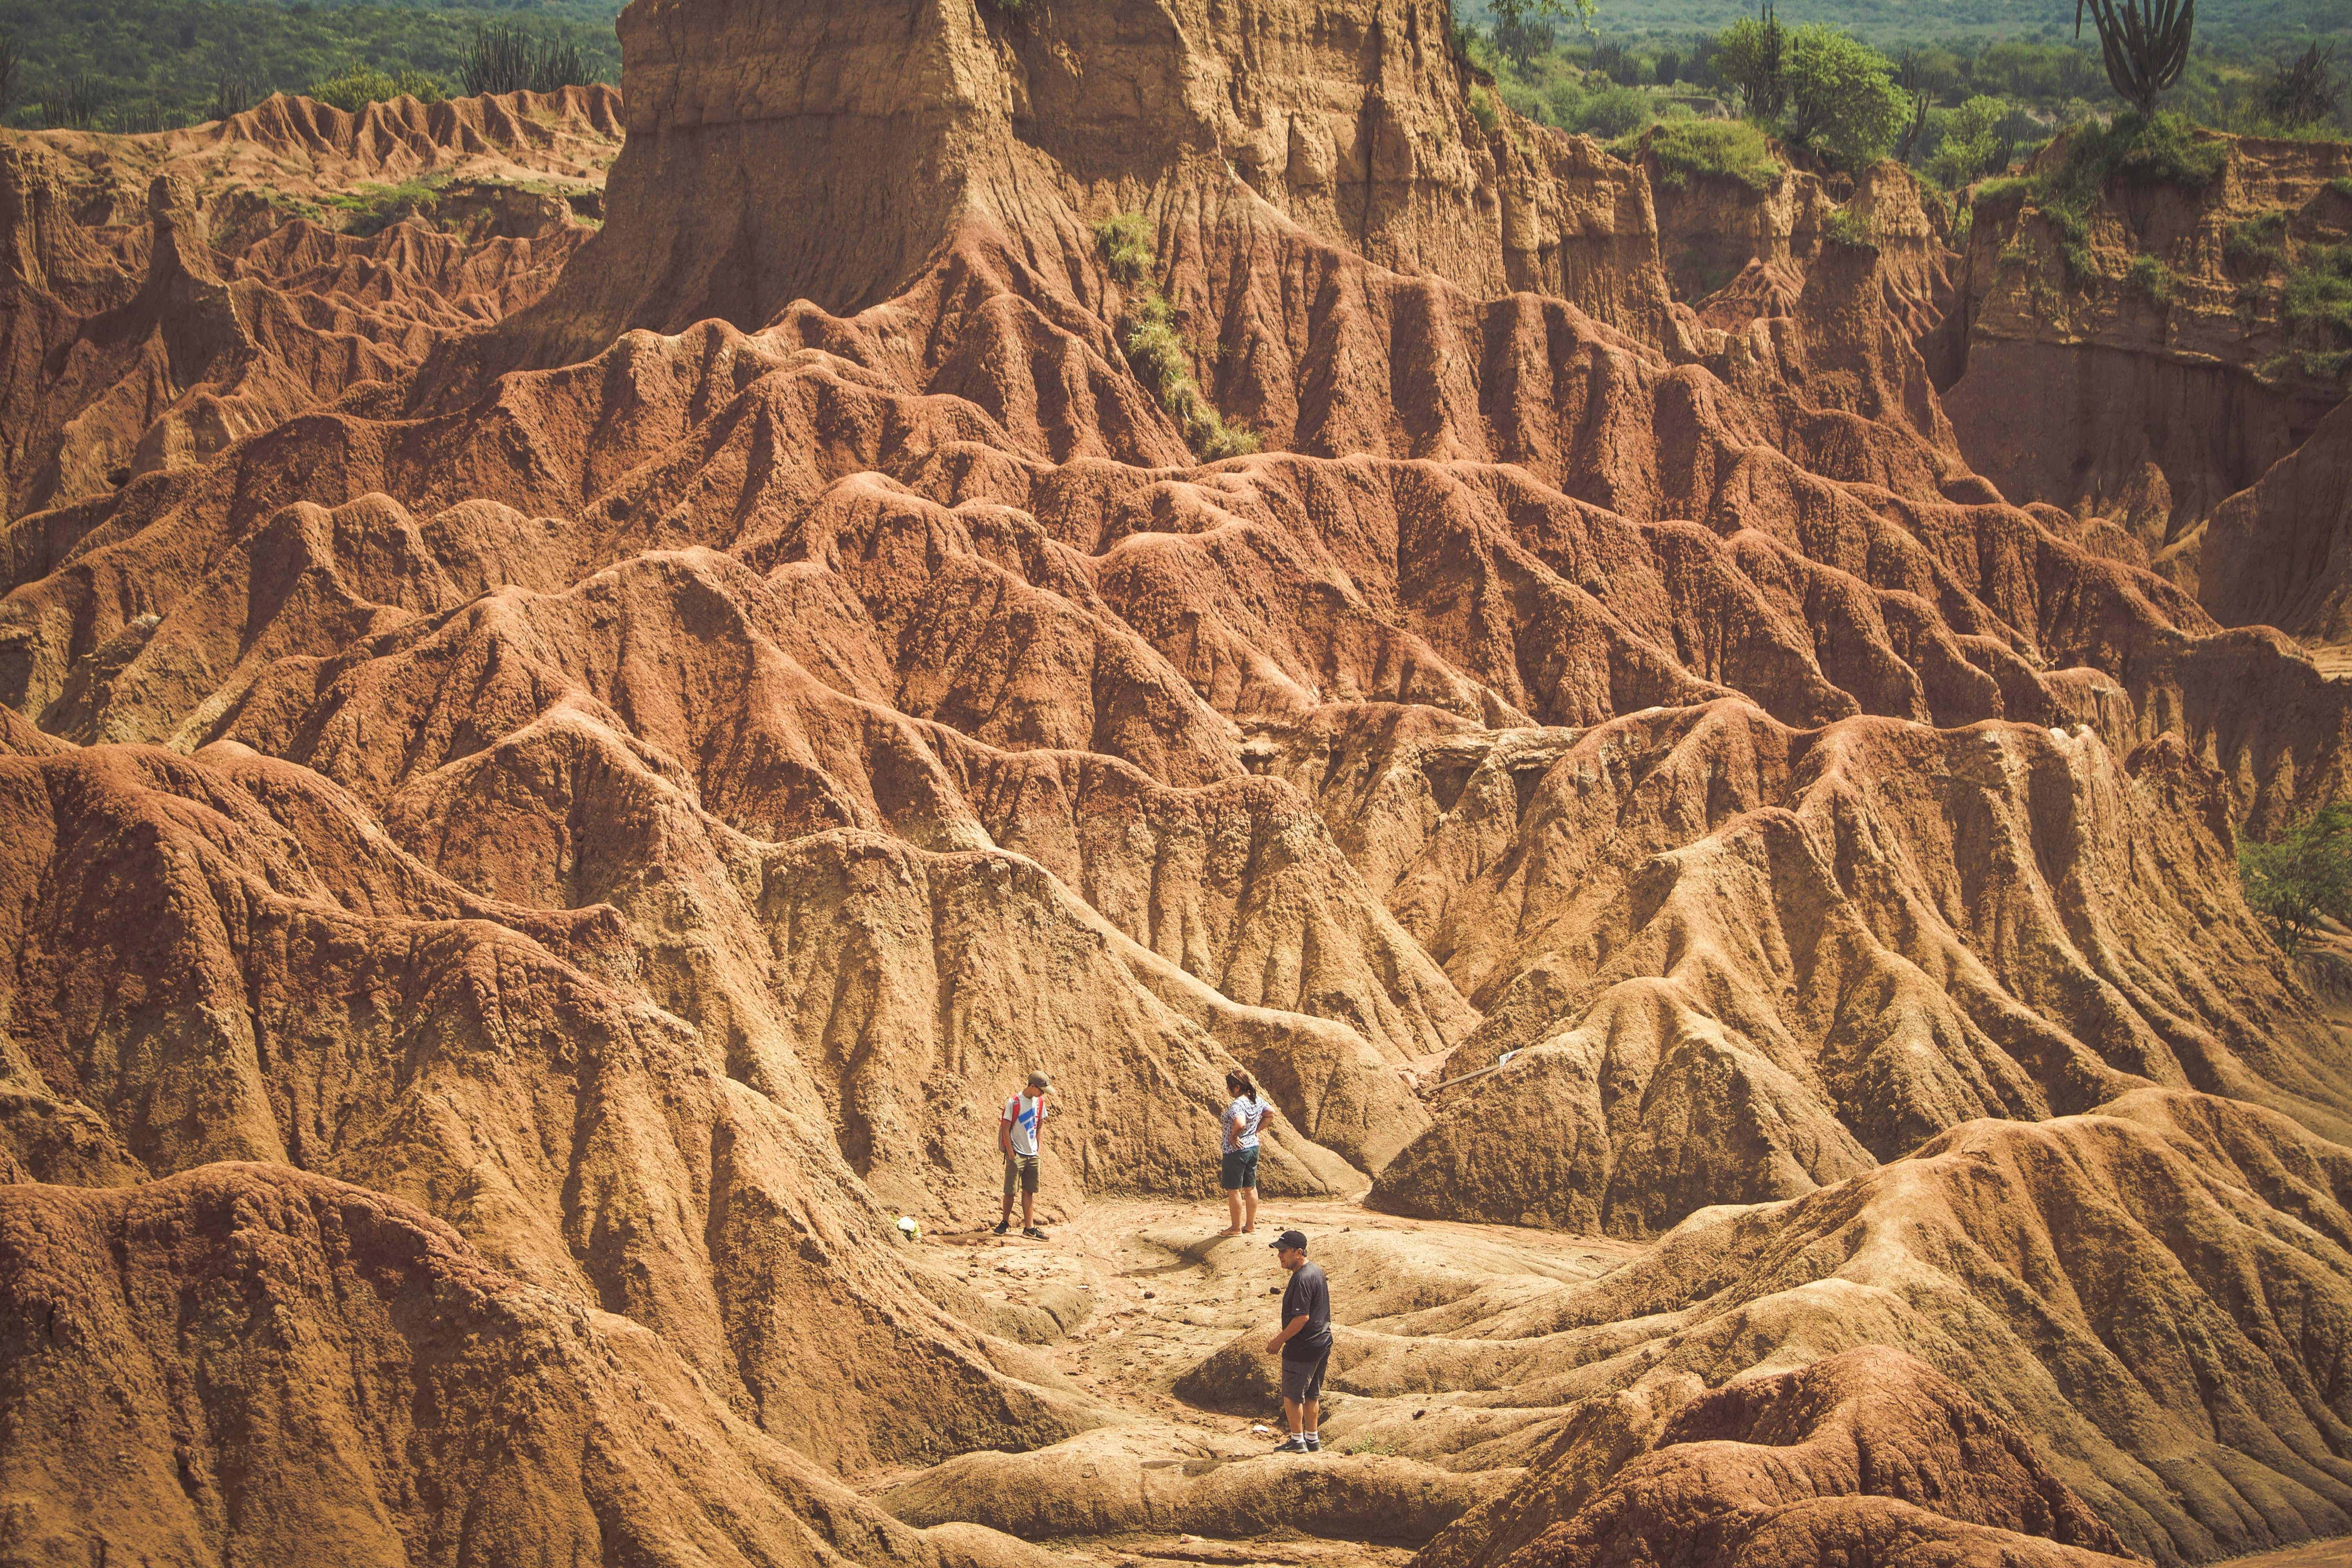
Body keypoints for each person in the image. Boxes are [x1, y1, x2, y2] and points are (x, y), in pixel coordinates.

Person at [1264, 1229, 1331, 1454]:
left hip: (1303, 1345)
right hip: (1321, 1341)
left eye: (1284, 1251)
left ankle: (1297, 1441)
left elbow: (1302, 1317)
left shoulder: (1302, 1278)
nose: (1280, 1256)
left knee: (1293, 1396)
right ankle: (1312, 1439)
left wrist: (1279, 1341)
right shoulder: (1316, 1272)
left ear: (1299, 1252)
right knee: (1312, 1394)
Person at [997, 1070, 1054, 1239]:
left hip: (1032, 1154)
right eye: (1041, 1090)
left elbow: (1040, 1126)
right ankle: (1005, 1222)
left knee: (1029, 1191)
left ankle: (1030, 1228)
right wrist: (1011, 1153)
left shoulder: (1040, 1103)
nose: (1043, 1094)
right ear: (1032, 1086)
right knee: (1010, 1191)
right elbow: (1005, 1129)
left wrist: (1039, 1148)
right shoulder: (1014, 1102)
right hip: (1017, 1154)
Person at [1218, 1071, 1264, 1236]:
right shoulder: (1256, 1100)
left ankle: (1236, 1228)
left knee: (1234, 1190)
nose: (1228, 1090)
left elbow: (1241, 1123)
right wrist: (1257, 1131)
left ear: (1237, 1087)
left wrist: (1233, 1136)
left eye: (1230, 1087)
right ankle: (1250, 1226)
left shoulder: (1238, 1104)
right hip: (1253, 1148)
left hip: (1236, 1151)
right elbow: (1270, 1113)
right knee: (1250, 1187)